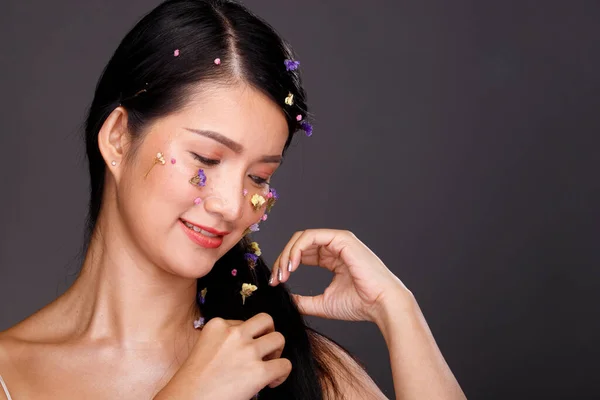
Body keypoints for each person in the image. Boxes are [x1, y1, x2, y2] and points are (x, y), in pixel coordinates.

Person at [0, 0, 467, 399]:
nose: (231, 204)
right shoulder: (9, 373)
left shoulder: (288, 363)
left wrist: (396, 308)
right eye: (206, 157)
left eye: (259, 177)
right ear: (119, 139)